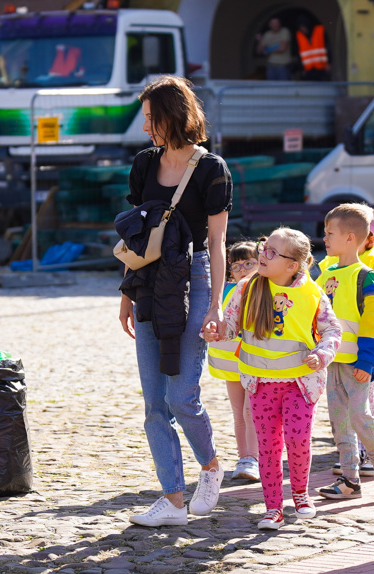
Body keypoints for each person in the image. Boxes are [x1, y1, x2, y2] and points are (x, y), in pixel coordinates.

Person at [119, 76, 232, 528]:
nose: (146, 128)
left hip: (196, 276)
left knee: (182, 396)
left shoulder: (212, 169)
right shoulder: (144, 165)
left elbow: (219, 243)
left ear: (175, 116)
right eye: (145, 119)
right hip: (149, 281)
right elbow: (137, 237)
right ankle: (172, 500)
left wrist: (216, 306)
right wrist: (126, 291)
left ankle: (210, 466)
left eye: (153, 118)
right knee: (154, 403)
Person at [203, 228, 341, 529]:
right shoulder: (246, 288)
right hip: (260, 384)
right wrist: (217, 331)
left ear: (292, 265)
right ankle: (273, 508)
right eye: (264, 247)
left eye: (271, 252)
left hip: (301, 384)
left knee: (298, 439)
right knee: (268, 446)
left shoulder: (312, 292)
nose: (261, 254)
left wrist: (323, 354)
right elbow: (231, 326)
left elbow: (333, 330)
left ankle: (302, 494)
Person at [315, 205, 374, 504]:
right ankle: (349, 479)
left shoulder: (366, 276)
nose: (324, 238)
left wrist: (368, 360)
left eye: (330, 233)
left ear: (350, 238)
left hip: (357, 364)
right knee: (339, 419)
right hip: (333, 363)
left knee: (361, 416)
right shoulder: (324, 274)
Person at [207, 240, 260, 482]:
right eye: (236, 265)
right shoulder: (225, 291)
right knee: (239, 413)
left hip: (256, 362)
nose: (242, 269)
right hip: (230, 363)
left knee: (252, 411)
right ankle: (244, 457)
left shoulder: (265, 289)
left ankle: (255, 459)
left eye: (249, 263)